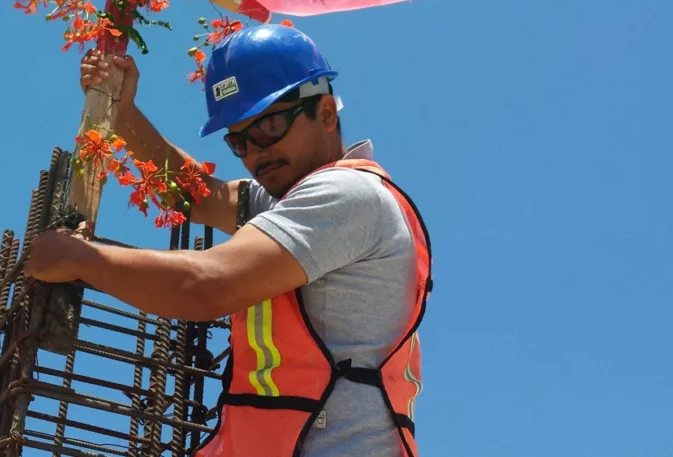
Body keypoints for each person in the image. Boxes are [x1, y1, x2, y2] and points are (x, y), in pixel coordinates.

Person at [25, 23, 433, 457]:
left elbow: (206, 285)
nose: (256, 153)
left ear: (326, 113)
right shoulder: (288, 199)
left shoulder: (346, 195)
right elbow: (193, 194)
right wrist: (122, 111)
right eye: (240, 141)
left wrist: (80, 258)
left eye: (270, 125)